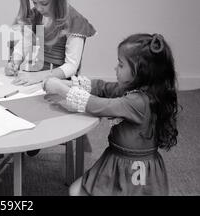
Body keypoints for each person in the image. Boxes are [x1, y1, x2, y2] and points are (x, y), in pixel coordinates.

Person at [43, 33, 180, 196]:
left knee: (75, 191)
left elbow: (99, 105)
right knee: (75, 190)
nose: (115, 68)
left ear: (140, 72)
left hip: (132, 169)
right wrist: (70, 83)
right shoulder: (135, 90)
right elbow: (103, 87)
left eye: (121, 65)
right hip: (119, 160)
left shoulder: (138, 102)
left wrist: (61, 89)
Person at [5, 0, 96, 86]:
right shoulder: (36, 15)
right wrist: (14, 62)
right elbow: (25, 43)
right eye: (34, 2)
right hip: (37, 79)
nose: (38, 8)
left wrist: (39, 76)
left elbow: (71, 66)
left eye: (44, 3)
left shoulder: (75, 21)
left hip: (62, 85)